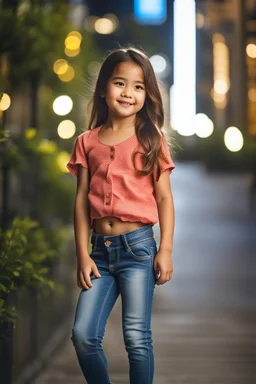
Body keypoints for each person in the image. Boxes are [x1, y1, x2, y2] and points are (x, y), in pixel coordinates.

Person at [66, 46, 175, 384]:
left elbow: (165, 199)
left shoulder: (150, 138)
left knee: (136, 338)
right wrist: (82, 254)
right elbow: (82, 200)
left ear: (147, 94)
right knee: (83, 335)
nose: (129, 92)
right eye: (120, 83)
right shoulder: (87, 141)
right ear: (103, 89)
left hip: (138, 248)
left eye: (139, 86)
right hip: (99, 251)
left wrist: (166, 250)